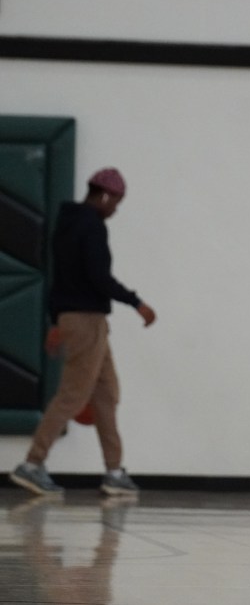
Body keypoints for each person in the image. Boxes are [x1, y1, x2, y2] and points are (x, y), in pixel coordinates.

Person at [9, 167, 156, 498]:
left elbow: (58, 278)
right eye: (116, 202)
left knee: (106, 393)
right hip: (87, 321)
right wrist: (136, 302)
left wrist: (56, 322)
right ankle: (32, 464)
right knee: (72, 396)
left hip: (78, 320)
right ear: (104, 196)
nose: (115, 209)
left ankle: (114, 472)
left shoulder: (67, 224)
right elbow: (99, 277)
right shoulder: (91, 226)